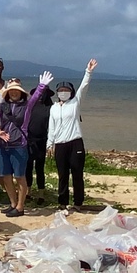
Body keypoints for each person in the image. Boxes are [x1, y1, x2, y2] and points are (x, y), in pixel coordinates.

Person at [0, 72, 54, 217]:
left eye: (17, 90)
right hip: (3, 146)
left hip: (19, 145)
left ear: (21, 92)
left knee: (19, 177)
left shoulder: (26, 106)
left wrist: (42, 86)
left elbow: (35, 98)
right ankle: (12, 204)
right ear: (8, 92)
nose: (14, 92)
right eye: (12, 90)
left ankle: (20, 206)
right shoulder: (2, 106)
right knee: (6, 176)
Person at [48, 59, 98, 212]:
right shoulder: (54, 108)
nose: (63, 92)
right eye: (61, 90)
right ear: (57, 93)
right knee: (62, 175)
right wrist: (50, 144)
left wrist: (88, 71)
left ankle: (78, 203)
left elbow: (84, 87)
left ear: (71, 92)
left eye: (66, 90)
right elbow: (52, 127)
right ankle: (62, 203)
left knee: (77, 173)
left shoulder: (75, 103)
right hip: (60, 145)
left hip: (75, 143)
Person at [25, 82, 55, 203]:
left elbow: (53, 126)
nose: (42, 95)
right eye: (40, 93)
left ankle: (41, 193)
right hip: (29, 140)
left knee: (39, 168)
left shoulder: (50, 108)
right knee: (28, 167)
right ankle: (28, 191)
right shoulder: (30, 106)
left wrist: (51, 143)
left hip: (42, 140)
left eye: (45, 93)